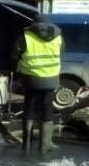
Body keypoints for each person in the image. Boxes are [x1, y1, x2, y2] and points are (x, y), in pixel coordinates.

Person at [12, 12, 63, 153]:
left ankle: (26, 142)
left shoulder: (26, 36)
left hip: (31, 77)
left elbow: (16, 54)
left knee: (30, 106)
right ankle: (45, 144)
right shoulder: (58, 36)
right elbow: (61, 51)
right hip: (51, 77)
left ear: (33, 23)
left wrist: (17, 70)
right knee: (47, 107)